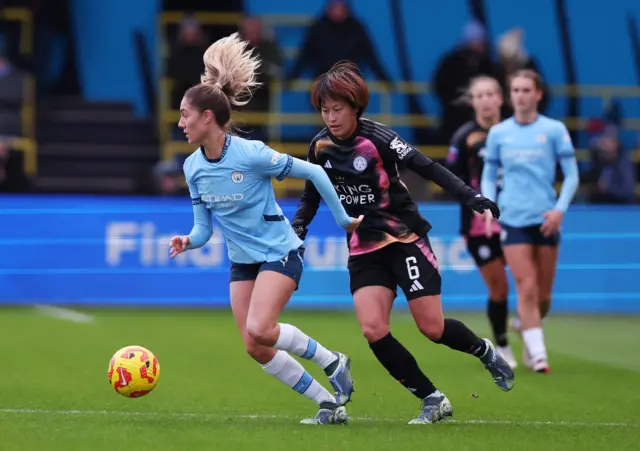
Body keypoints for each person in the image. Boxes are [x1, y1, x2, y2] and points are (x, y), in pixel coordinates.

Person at [291, 61, 515, 425]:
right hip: (364, 248)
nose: (330, 117)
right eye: (324, 110)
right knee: (373, 330)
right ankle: (432, 398)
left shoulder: (379, 138)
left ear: (355, 107)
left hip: (404, 239)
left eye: (337, 109)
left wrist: (471, 197)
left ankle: (484, 349)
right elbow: (310, 196)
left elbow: (427, 167)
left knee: (432, 328)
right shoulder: (320, 147)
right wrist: (299, 225)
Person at [168, 34, 363, 425]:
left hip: (280, 253)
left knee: (261, 327)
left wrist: (343, 219)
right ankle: (329, 404)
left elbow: (313, 170)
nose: (179, 122)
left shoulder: (250, 154)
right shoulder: (192, 167)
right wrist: (189, 240)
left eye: (185, 114)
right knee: (254, 345)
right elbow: (205, 229)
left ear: (207, 117)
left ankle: (332, 360)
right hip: (243, 263)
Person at [481, 69, 579, 373]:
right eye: (515, 90)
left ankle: (527, 326)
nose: (520, 95)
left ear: (537, 94)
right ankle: (538, 355)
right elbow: (488, 175)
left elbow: (572, 175)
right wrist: (488, 206)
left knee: (544, 297)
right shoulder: (499, 133)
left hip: (546, 218)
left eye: (526, 90)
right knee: (526, 285)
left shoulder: (553, 130)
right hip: (512, 217)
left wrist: (560, 209)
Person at [446, 76, 516, 369]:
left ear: (501, 99)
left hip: (518, 218)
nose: (486, 100)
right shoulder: (464, 137)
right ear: (472, 101)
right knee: (499, 288)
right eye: (480, 95)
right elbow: (452, 179)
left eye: (491, 94)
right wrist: (473, 203)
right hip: (479, 226)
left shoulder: (516, 132)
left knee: (532, 285)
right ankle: (502, 343)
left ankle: (529, 320)